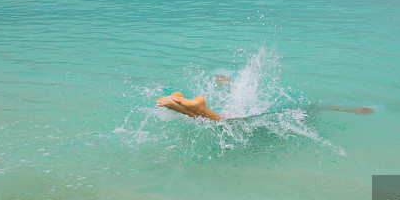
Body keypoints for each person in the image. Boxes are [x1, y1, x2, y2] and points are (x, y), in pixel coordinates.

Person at [156, 76, 374, 120]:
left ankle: (176, 102)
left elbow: (233, 92)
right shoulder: (294, 110)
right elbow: (324, 108)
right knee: (220, 122)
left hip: (237, 109)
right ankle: (189, 104)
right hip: (250, 117)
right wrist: (350, 110)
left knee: (211, 120)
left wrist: (223, 82)